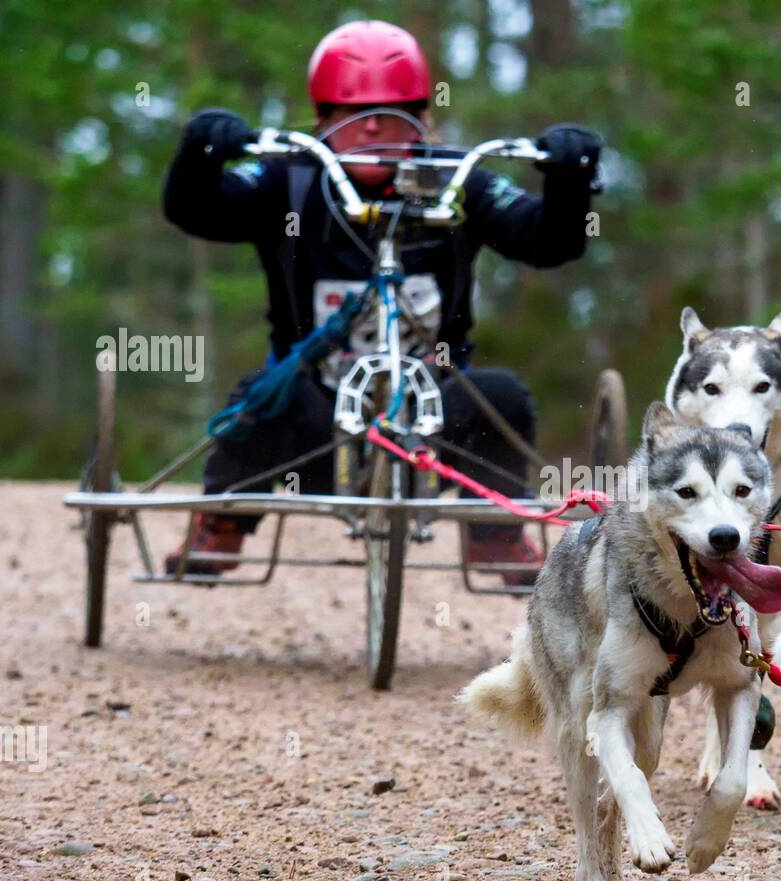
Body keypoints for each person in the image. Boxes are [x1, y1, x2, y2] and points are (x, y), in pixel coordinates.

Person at [161, 19, 601, 584]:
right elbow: (195, 210)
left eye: (395, 112)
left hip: (435, 412)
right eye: (353, 113)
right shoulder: (289, 180)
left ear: (423, 116)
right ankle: (223, 521)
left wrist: (569, 179)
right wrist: (199, 153)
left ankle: (495, 529)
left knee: (502, 395)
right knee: (258, 398)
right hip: (314, 414)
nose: (373, 127)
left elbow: (548, 242)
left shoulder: (457, 181)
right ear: (321, 118)